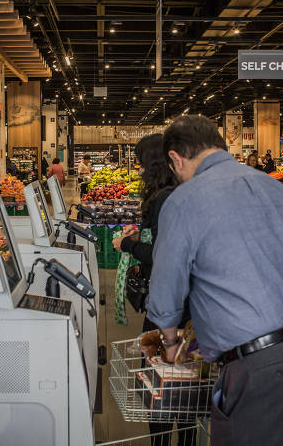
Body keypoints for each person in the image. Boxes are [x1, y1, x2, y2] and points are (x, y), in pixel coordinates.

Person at [146, 116, 283, 446]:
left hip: (262, 369)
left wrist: (172, 342)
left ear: (176, 158)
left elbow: (167, 283)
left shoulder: (184, 201)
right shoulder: (272, 186)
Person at [111, 134, 192, 446]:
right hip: (188, 307)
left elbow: (161, 255)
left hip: (165, 308)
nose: (138, 168)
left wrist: (127, 244)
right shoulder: (179, 193)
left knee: (158, 386)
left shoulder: (162, 200)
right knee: (187, 388)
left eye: (140, 161)